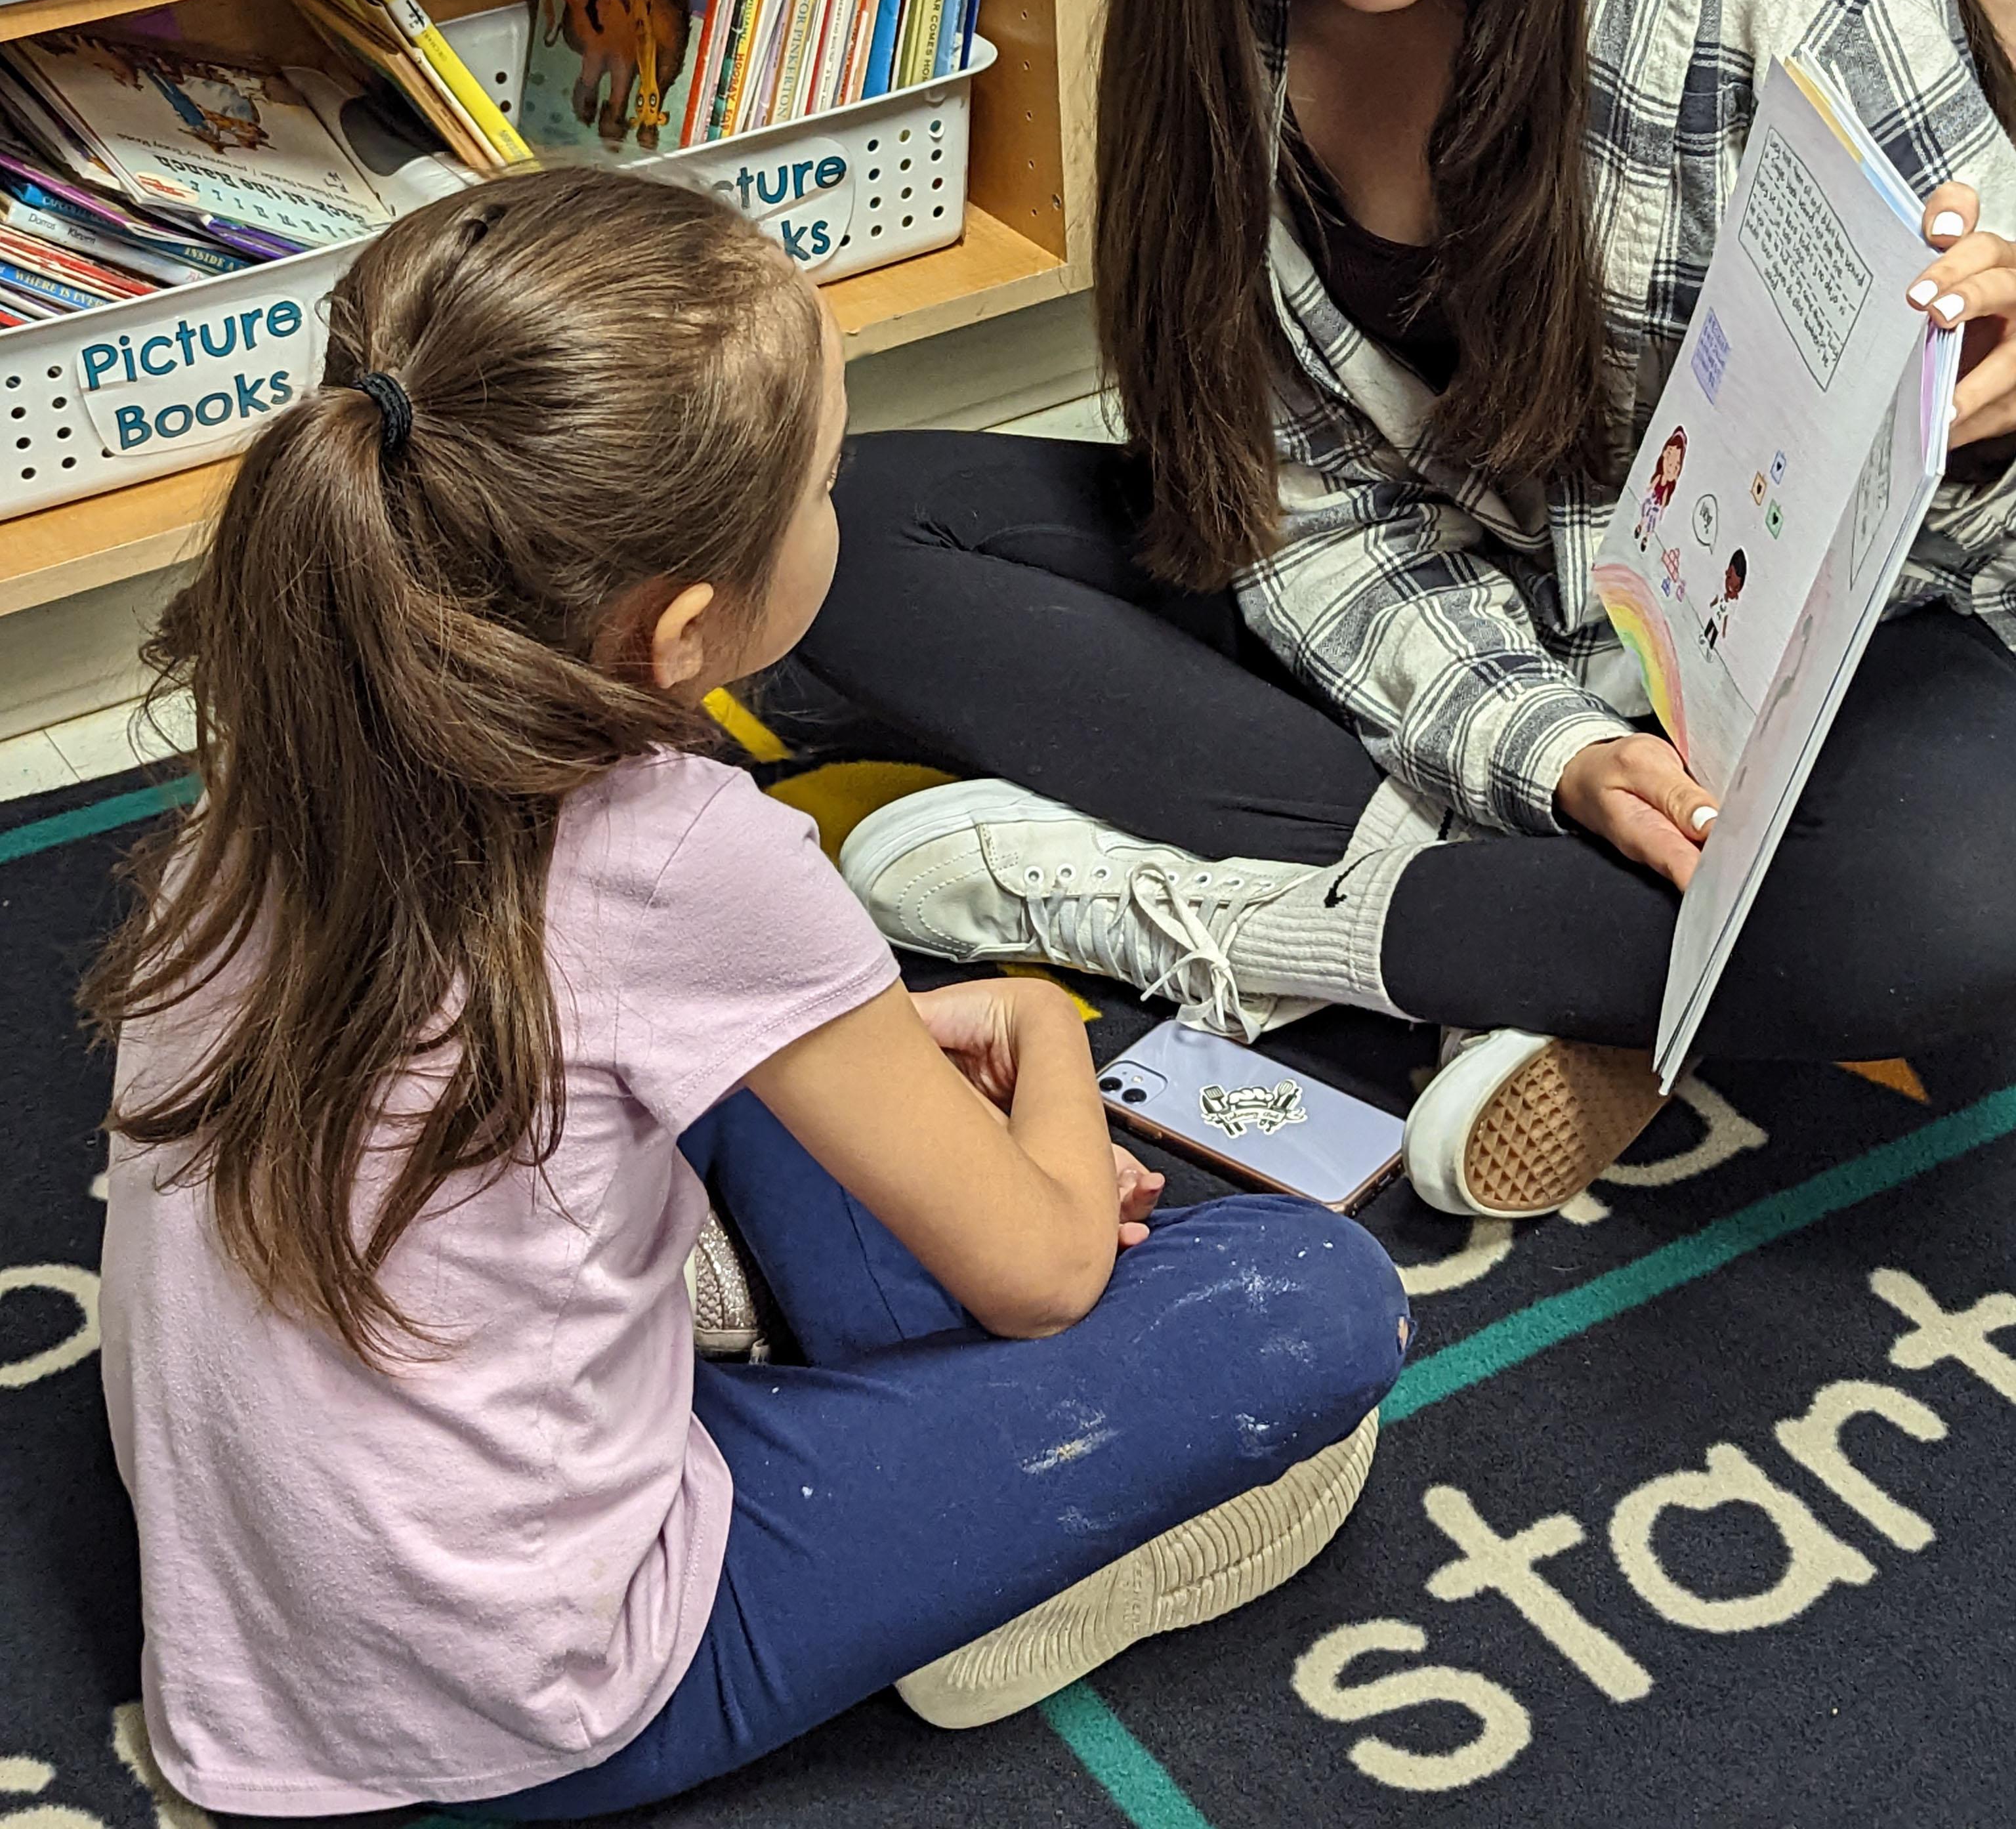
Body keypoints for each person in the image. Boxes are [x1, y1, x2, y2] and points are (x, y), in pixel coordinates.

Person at [803, 0, 2016, 1225]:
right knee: (830, 525)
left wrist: (1981, 347)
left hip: (1819, 661)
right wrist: (1550, 754)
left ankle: (1247, 924)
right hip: (1454, 613)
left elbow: (1962, 269)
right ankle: (1560, 941)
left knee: (1950, 903)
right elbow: (1294, 511)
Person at [86, 173, 1409, 1817]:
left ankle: (904, 1424)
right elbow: (1051, 1274)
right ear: (685, 633)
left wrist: (900, 1073)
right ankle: (992, 1554)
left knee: (810, 1061)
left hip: (256, 1651)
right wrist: (1044, 1035)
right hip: (531, 1710)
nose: (840, 506)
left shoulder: (283, 746)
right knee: (1313, 1293)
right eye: (827, 485)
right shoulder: (681, 855)